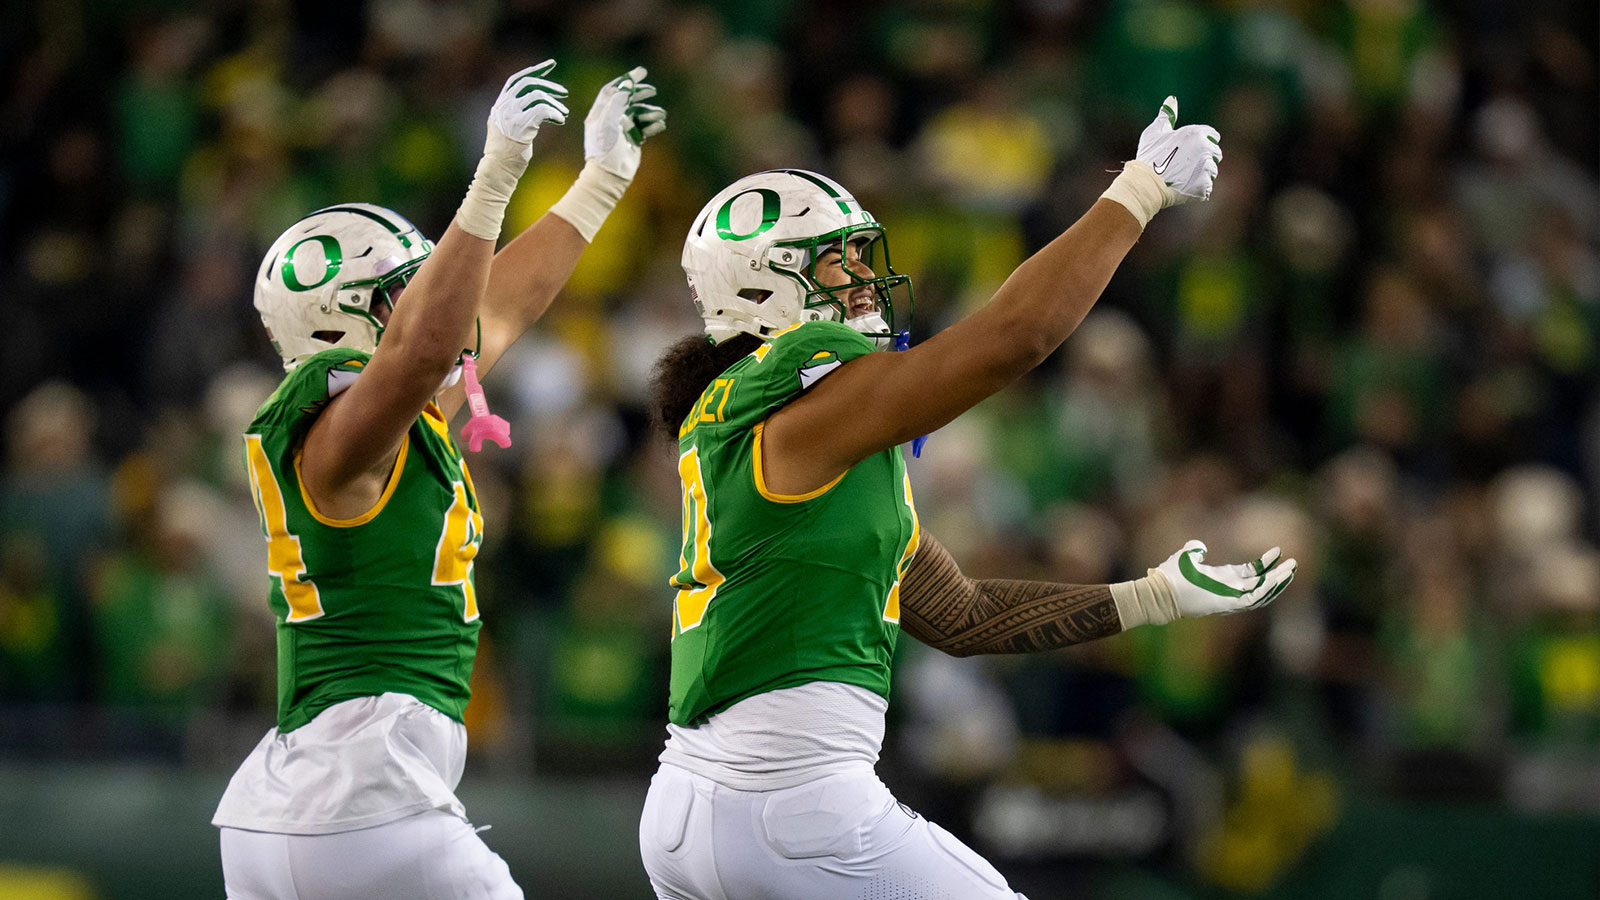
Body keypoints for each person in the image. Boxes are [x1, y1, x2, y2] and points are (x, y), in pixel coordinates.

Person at [639, 98, 1293, 899]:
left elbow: (964, 615)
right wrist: (1138, 192)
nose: (864, 275)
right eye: (836, 259)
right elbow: (1014, 339)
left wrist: (1153, 598)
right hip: (792, 805)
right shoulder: (798, 409)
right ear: (767, 283)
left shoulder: (781, 432)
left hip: (688, 813)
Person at [213, 61, 665, 899]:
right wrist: (493, 175)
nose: (441, 306)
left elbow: (502, 308)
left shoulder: (385, 414)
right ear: (344, 316)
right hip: (361, 799)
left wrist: (600, 182)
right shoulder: (332, 432)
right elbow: (423, 347)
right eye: (410, 292)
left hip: (314, 800)